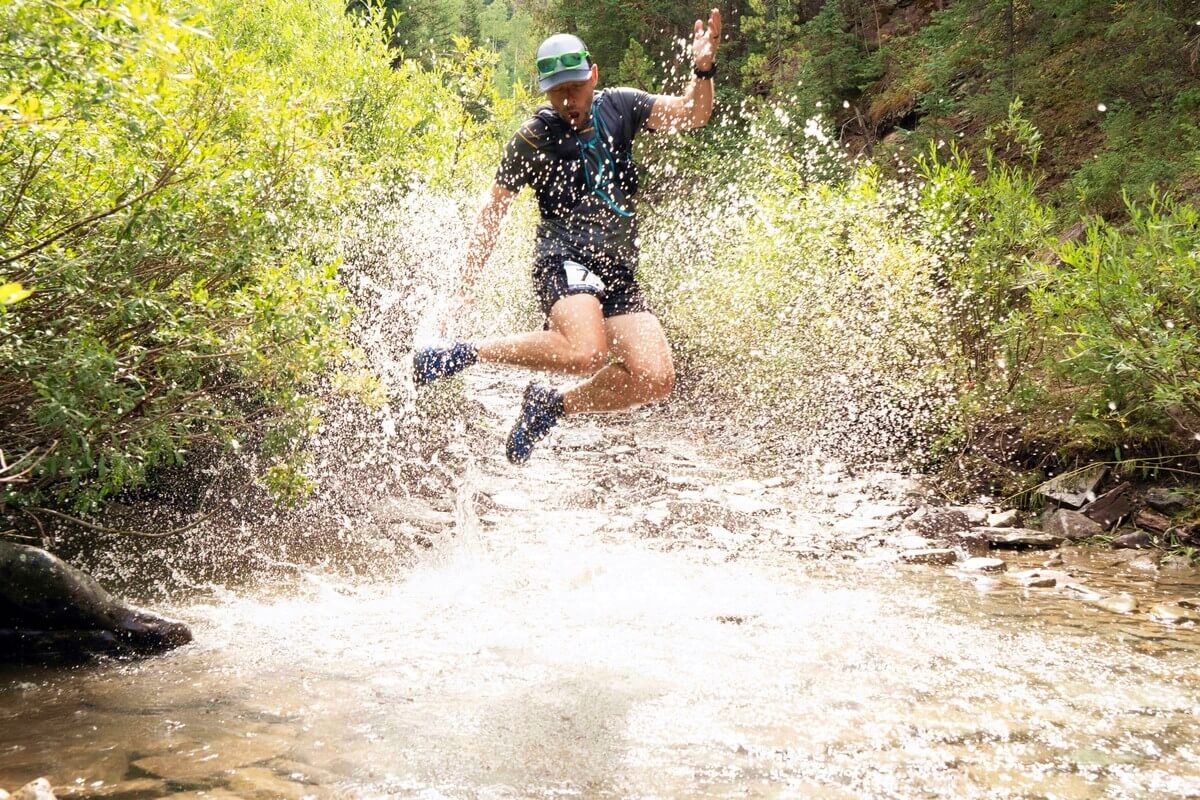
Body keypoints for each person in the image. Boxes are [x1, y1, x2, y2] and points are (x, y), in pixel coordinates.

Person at [414, 9, 722, 464]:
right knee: (585, 352)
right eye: (557, 91)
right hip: (562, 259)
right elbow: (492, 214)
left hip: (616, 271)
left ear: (592, 76)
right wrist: (463, 288)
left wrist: (703, 69)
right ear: (545, 91)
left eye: (575, 87)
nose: (568, 100)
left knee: (655, 377)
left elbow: (694, 114)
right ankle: (461, 353)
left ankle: (550, 407)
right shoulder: (532, 139)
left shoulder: (621, 107)